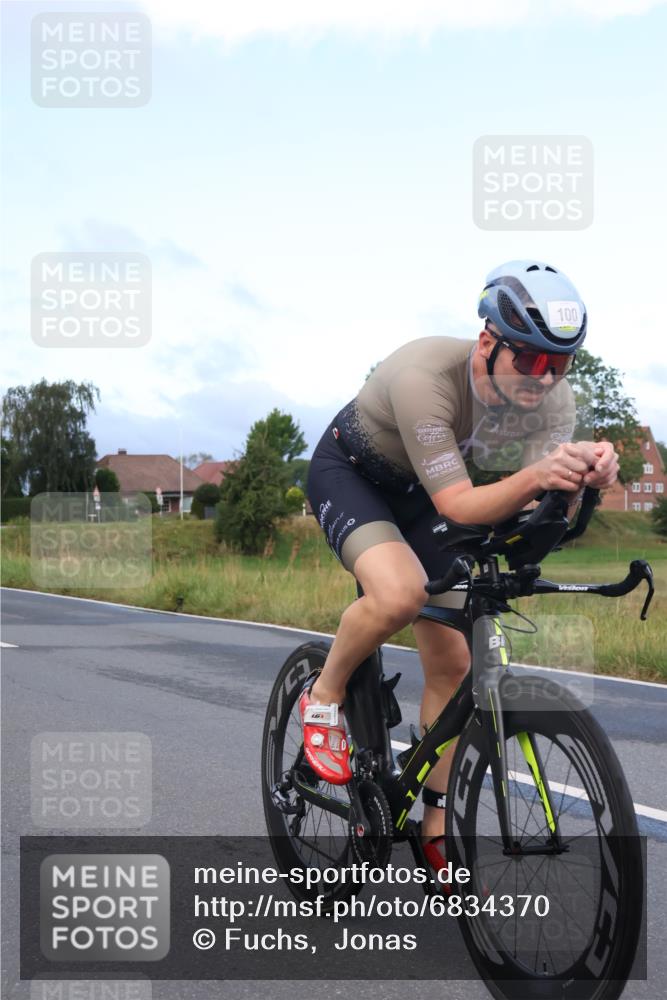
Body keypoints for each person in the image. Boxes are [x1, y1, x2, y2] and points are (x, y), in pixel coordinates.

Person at [301, 259, 619, 874]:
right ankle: (325, 693)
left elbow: (536, 506)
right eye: (530, 358)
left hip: (423, 495)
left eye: (560, 363)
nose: (544, 377)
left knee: (453, 663)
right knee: (399, 595)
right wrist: (539, 474)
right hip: (353, 477)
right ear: (487, 341)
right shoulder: (425, 378)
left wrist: (584, 478)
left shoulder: (552, 398)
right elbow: (459, 505)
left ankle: (436, 820)